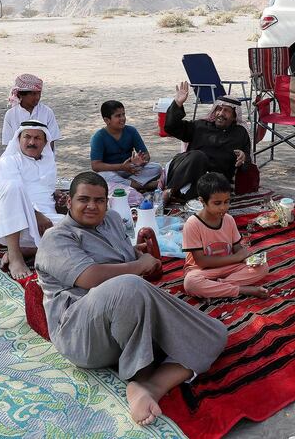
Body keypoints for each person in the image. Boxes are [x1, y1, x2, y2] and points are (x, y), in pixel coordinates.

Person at [35, 172, 227, 426]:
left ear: (107, 202)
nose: (92, 206)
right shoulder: (57, 237)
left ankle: (149, 387)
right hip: (81, 335)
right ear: (68, 202)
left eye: (99, 200)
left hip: (125, 316)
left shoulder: (112, 219)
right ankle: (141, 368)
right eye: (83, 199)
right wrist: (139, 266)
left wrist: (138, 255)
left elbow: (122, 258)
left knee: (214, 332)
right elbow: (91, 277)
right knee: (129, 285)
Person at [0, 120, 64, 280]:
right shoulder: (8, 161)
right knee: (13, 186)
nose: (32, 142)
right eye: (27, 137)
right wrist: (35, 214)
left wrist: (56, 195)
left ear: (45, 142)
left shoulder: (49, 162)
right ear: (19, 139)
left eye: (37, 138)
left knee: (79, 230)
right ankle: (15, 255)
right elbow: (9, 196)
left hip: (43, 226)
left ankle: (29, 250)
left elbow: (41, 189)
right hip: (7, 225)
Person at [182, 172, 270, 298]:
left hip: (229, 267)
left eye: (227, 201)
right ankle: (241, 289)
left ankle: (219, 286)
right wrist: (237, 257)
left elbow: (237, 248)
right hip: (202, 271)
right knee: (191, 283)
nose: (224, 207)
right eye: (217, 203)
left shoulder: (228, 219)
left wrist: (247, 259)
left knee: (263, 266)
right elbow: (201, 262)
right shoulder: (192, 224)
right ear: (202, 201)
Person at [163, 81, 251, 201]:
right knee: (199, 156)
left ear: (234, 116)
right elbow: (171, 128)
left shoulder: (240, 134)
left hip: (212, 180)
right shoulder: (200, 126)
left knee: (212, 186)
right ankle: (169, 192)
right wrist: (177, 104)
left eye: (226, 111)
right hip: (186, 169)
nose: (220, 113)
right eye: (218, 109)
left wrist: (243, 158)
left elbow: (247, 164)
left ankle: (187, 198)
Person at [90, 100, 162, 192]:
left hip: (131, 170)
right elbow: (96, 166)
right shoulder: (99, 137)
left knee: (157, 168)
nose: (122, 118)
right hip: (112, 172)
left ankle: (128, 185)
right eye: (118, 116)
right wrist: (121, 167)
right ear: (106, 120)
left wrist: (140, 161)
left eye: (123, 114)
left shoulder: (131, 131)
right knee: (103, 177)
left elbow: (146, 155)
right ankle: (143, 186)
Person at [1, 73, 61, 147]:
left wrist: (45, 158)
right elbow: (9, 143)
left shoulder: (47, 112)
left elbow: (51, 140)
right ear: (20, 95)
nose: (37, 97)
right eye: (33, 94)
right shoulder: (10, 115)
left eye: (39, 93)